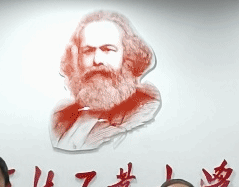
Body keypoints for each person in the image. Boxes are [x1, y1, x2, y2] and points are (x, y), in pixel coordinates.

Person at [51, 10, 161, 152]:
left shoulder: (142, 113)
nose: (97, 60)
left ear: (128, 56)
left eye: (107, 49)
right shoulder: (61, 117)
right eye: (88, 51)